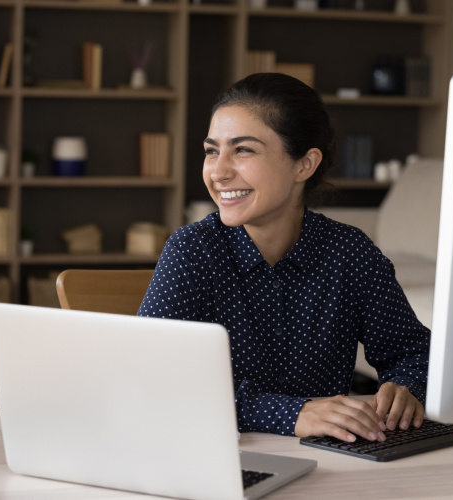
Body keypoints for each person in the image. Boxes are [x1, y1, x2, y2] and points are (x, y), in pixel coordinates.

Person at [138, 73, 430, 444]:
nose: (218, 172)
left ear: (304, 165)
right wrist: (292, 414)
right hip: (223, 461)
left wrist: (404, 388)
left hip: (333, 464)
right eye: (212, 150)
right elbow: (155, 382)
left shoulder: (351, 253)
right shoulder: (193, 251)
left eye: (242, 150)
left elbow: (414, 353)